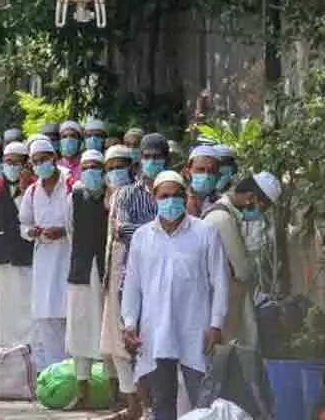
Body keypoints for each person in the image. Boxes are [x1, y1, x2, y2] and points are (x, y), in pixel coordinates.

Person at [121, 171, 229, 420]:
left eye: (176, 195)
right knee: (162, 401)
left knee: (203, 400)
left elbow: (220, 282)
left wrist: (216, 324)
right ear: (155, 198)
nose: (171, 201)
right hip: (155, 331)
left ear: (185, 196)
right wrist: (129, 323)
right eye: (164, 196)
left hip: (195, 330)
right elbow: (133, 285)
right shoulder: (142, 237)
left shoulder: (206, 232)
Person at [202, 172, 282, 348]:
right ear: (251, 198)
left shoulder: (229, 215)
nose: (262, 213)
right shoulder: (221, 219)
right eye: (264, 207)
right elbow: (243, 271)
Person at [19, 137, 73, 371]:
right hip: (43, 258)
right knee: (46, 316)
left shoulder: (71, 184)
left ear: (54, 158)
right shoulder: (32, 191)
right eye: (36, 161)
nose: (42, 164)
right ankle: (53, 371)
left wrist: (63, 231)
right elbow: (22, 225)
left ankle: (74, 372)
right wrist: (31, 232)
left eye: (45, 159)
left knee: (68, 314)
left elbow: (81, 221)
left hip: (67, 256)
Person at [65, 150, 110, 409]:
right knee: (80, 330)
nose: (92, 171)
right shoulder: (75, 196)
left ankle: (116, 391)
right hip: (81, 270)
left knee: (109, 330)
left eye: (97, 166)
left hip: (107, 270)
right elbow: (71, 229)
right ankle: (83, 392)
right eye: (87, 167)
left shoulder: (113, 195)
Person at [0, 141, 36, 347]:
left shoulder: (35, 188)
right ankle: (9, 356)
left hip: (30, 260)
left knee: (30, 310)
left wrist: (24, 189)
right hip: (4, 260)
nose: (11, 166)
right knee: (7, 312)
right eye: (7, 162)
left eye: (16, 163)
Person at [100, 145, 142, 420]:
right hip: (114, 273)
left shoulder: (138, 194)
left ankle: (139, 406)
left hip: (133, 275)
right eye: (110, 167)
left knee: (130, 342)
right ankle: (132, 405)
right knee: (116, 344)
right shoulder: (113, 197)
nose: (115, 172)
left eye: (120, 166)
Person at [184, 145, 221, 217]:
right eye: (200, 169)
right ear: (188, 172)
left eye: (211, 171)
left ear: (218, 175)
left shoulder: (222, 203)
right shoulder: (178, 199)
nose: (206, 175)